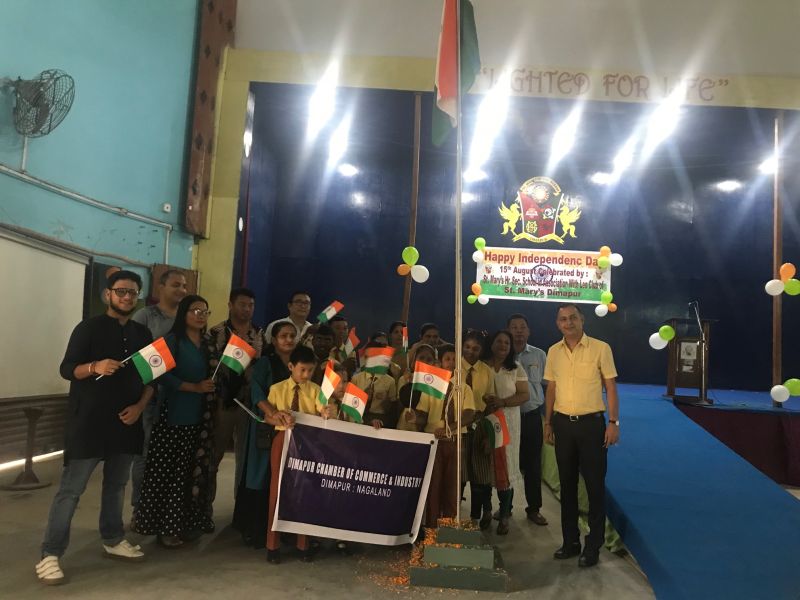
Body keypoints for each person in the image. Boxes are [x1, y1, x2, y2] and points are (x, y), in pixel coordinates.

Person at [36, 271, 153, 585]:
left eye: (133, 292)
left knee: (116, 487)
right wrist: (94, 367)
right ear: (108, 295)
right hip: (87, 423)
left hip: (126, 424)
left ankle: (113, 538)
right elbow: (66, 369)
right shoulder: (87, 328)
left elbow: (150, 380)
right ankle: (50, 554)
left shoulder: (143, 334)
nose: (127, 297)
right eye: (121, 291)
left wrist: (140, 408)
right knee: (71, 491)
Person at [132, 295, 216, 547]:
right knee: (171, 475)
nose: (200, 315)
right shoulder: (172, 341)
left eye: (204, 311)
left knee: (192, 473)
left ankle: (187, 524)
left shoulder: (208, 344)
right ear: (184, 314)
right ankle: (165, 529)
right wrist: (190, 386)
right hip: (174, 416)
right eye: (194, 311)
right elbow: (152, 371)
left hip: (201, 419)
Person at [543, 303, 619, 568]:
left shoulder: (601, 348)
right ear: (557, 324)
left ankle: (593, 545)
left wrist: (613, 422)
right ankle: (570, 541)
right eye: (563, 319)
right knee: (567, 486)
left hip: (592, 426)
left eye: (573, 317)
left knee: (595, 487)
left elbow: (610, 387)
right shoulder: (553, 352)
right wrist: (548, 422)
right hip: (563, 425)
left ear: (582, 320)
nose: (568, 322)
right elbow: (551, 388)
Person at [232, 320, 297, 548]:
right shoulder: (265, 363)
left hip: (290, 429)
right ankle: (254, 528)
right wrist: (272, 413)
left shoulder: (299, 364)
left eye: (292, 336)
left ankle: (283, 530)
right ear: (274, 340)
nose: (288, 340)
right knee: (260, 475)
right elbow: (258, 392)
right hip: (265, 426)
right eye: (284, 336)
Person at [130, 269, 187, 520]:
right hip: (150, 395)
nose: (182, 290)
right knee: (145, 453)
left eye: (185, 286)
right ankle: (140, 509)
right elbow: (132, 353)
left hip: (179, 397)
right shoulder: (146, 316)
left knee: (172, 456)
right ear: (160, 287)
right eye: (176, 285)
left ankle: (166, 508)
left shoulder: (186, 319)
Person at [206, 288, 268, 508]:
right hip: (222, 403)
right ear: (231, 305)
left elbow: (262, 367)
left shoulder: (259, 333)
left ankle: (240, 509)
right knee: (214, 456)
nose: (247, 309)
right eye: (242, 304)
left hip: (249, 404)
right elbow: (209, 366)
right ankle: (205, 507)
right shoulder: (216, 332)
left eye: (251, 305)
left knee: (245, 459)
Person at [265, 345, 324, 564]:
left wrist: (326, 411)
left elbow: (323, 410)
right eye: (303, 370)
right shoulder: (277, 389)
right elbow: (267, 417)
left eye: (310, 370)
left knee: (305, 491)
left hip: (308, 445)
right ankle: (272, 545)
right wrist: (277, 417)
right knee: (277, 492)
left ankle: (303, 545)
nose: (306, 375)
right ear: (291, 367)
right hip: (282, 441)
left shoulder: (316, 390)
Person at [408, 345, 475, 530]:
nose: (451, 362)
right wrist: (415, 417)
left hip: (455, 442)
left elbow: (469, 415)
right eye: (448, 359)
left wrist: (449, 428)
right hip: (434, 442)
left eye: (455, 359)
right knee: (433, 486)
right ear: (440, 362)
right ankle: (431, 528)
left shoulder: (464, 388)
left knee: (452, 488)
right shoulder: (431, 387)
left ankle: (449, 528)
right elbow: (422, 414)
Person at [482, 330, 529, 535]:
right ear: (491, 343)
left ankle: (504, 514)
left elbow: (525, 395)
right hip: (483, 421)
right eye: (499, 341)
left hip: (508, 423)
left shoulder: (515, 368)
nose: (503, 345)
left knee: (505, 466)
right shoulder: (481, 366)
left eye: (507, 343)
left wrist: (503, 402)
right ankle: (485, 511)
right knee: (484, 466)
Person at [507, 313, 548, 526]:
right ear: (508, 330)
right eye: (514, 327)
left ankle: (534, 509)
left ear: (529, 331)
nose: (519, 331)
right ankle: (506, 508)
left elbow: (548, 387)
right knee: (509, 462)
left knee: (533, 465)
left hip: (532, 418)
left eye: (523, 327)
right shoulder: (502, 356)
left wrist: (549, 419)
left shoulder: (540, 355)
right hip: (507, 418)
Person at [460, 329, 495, 529]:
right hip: (459, 425)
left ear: (481, 350)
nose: (471, 351)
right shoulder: (454, 368)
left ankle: (477, 515)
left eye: (476, 348)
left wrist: (488, 435)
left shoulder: (486, 371)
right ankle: (454, 513)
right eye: (467, 347)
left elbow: (489, 403)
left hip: (480, 424)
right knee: (461, 472)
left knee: (480, 473)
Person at [350, 341, 398, 428]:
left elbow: (391, 410)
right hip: (360, 416)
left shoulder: (390, 381)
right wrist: (363, 397)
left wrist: (385, 401)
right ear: (365, 357)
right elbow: (351, 406)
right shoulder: (356, 378)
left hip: (381, 418)